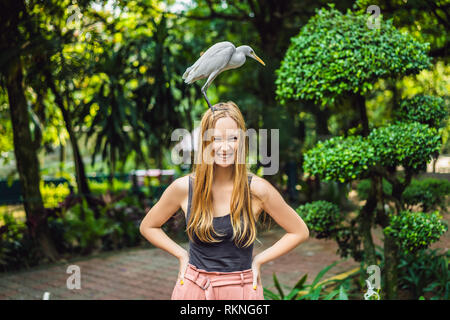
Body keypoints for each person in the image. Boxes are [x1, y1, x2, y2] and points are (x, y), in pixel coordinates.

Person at [139, 101, 309, 300]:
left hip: (241, 290)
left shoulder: (257, 190)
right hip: (194, 289)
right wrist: (182, 255)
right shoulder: (184, 188)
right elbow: (148, 226)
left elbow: (299, 231)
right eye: (216, 138)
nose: (225, 147)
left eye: (233, 138)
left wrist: (259, 260)